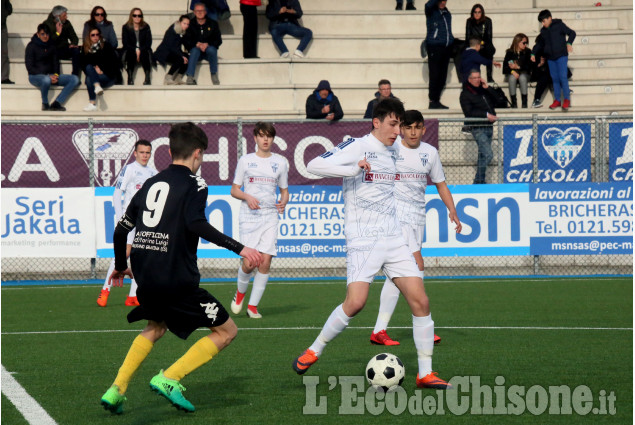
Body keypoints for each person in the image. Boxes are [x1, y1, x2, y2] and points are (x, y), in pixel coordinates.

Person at [100, 122, 262, 414]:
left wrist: (122, 266)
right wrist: (241, 248)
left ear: (171, 150)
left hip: (146, 276)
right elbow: (195, 223)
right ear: (197, 154)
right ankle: (170, 378)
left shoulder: (150, 183)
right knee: (227, 332)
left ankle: (116, 389)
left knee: (155, 326)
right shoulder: (195, 184)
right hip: (176, 279)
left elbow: (120, 230)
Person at [292, 98, 452, 390]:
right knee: (356, 303)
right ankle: (314, 350)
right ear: (376, 122)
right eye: (393, 124)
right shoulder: (357, 145)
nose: (398, 131)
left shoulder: (395, 151)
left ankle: (426, 373)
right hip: (364, 239)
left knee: (421, 300)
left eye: (400, 125)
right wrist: (352, 169)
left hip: (394, 237)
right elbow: (313, 164)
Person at [370, 110, 461, 346]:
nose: (412, 132)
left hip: (417, 218)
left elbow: (441, 184)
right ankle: (423, 326)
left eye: (417, 127)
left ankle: (379, 330)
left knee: (397, 276)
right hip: (394, 216)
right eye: (407, 127)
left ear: (423, 129)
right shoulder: (389, 149)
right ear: (401, 128)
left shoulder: (430, 153)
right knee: (416, 265)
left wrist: (452, 210)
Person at [229, 122, 289, 319]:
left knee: (265, 261)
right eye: (262, 136)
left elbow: (284, 191)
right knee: (249, 263)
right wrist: (247, 197)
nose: (265, 139)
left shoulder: (280, 162)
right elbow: (235, 189)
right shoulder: (246, 161)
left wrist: (284, 202)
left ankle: (253, 306)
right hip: (249, 217)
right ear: (254, 138)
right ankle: (240, 294)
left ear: (273, 139)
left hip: (270, 215)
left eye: (269, 136)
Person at [97, 140, 158, 308]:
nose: (145, 155)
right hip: (130, 219)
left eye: (147, 152)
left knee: (142, 257)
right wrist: (121, 218)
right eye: (142, 152)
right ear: (135, 153)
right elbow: (117, 194)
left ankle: (132, 296)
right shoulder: (130, 169)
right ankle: (105, 290)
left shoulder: (153, 173)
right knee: (123, 255)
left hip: (146, 222)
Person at [25, 24, 80, 111]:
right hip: (35, 76)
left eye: (47, 34)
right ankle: (45, 103)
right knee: (46, 79)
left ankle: (57, 103)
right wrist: (47, 76)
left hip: (50, 75)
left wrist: (56, 74)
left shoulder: (52, 46)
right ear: (38, 34)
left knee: (75, 79)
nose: (45, 36)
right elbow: (29, 67)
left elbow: (55, 63)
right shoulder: (31, 46)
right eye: (42, 34)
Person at [531, 9, 575, 111]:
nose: (542, 23)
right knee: (555, 79)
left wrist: (569, 43)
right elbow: (540, 44)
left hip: (561, 56)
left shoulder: (559, 25)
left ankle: (567, 99)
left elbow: (572, 33)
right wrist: (533, 53)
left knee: (562, 77)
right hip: (550, 58)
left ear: (549, 18)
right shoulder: (543, 31)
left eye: (544, 21)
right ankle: (557, 100)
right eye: (541, 22)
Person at [460, 69, 497, 184]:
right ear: (469, 80)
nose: (477, 80)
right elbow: (469, 112)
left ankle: (480, 181)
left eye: (478, 77)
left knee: (482, 156)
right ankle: (477, 180)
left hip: (489, 127)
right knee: (488, 155)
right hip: (478, 128)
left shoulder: (483, 91)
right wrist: (486, 115)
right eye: (475, 78)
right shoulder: (465, 94)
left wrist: (488, 88)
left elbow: (499, 100)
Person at [80, 27, 122, 112]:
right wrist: (95, 69)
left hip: (108, 75)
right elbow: (84, 65)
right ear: (89, 36)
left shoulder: (106, 46)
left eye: (97, 35)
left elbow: (113, 63)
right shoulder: (85, 48)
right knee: (88, 72)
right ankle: (96, 87)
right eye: (93, 35)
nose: (95, 37)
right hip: (95, 76)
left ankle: (92, 103)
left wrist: (102, 70)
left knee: (89, 78)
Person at [425, 0, 454, 109]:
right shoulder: (431, 11)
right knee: (435, 75)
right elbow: (427, 5)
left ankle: (436, 100)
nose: (442, 2)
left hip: (446, 48)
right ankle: (432, 100)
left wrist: (451, 41)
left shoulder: (447, 13)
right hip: (434, 46)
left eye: (444, 0)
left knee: (443, 76)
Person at [184, 2, 222, 85]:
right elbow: (186, 40)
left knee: (212, 49)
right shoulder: (190, 24)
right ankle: (190, 76)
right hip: (196, 51)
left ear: (205, 12)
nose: (200, 12)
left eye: (202, 10)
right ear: (194, 12)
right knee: (194, 50)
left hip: (208, 51)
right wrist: (196, 44)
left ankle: (213, 74)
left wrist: (207, 44)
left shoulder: (213, 23)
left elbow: (218, 40)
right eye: (197, 11)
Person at [42, 5, 81, 76]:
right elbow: (47, 41)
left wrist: (73, 44)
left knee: (76, 51)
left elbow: (74, 37)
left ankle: (75, 75)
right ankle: (56, 76)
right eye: (64, 15)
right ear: (57, 17)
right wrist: (57, 33)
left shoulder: (67, 23)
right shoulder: (46, 24)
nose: (66, 17)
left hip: (64, 49)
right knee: (53, 53)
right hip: (53, 50)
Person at [154, 15, 190, 85]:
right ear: (180, 22)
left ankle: (178, 78)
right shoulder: (173, 30)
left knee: (188, 58)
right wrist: (181, 55)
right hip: (164, 52)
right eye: (184, 23)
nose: (186, 26)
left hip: (173, 51)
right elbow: (170, 46)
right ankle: (168, 77)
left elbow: (183, 45)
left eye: (188, 24)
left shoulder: (183, 32)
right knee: (181, 58)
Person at [121, 8, 153, 85]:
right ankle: (130, 77)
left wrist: (139, 50)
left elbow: (148, 42)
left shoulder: (146, 26)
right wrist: (135, 49)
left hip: (143, 48)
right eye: (135, 15)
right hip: (130, 49)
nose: (137, 17)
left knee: (144, 54)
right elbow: (125, 43)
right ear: (131, 16)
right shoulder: (126, 27)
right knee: (131, 54)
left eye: (139, 15)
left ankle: (147, 77)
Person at [465, 4, 495, 82]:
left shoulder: (487, 21)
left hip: (484, 45)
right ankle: (476, 76)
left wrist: (481, 44)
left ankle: (489, 76)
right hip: (474, 45)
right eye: (475, 12)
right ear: (472, 13)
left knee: (489, 50)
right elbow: (468, 37)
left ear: (482, 13)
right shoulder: (469, 21)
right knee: (471, 52)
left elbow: (489, 37)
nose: (477, 14)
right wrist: (475, 46)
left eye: (479, 12)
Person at [503, 33, 531, 108]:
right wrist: (512, 71)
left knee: (522, 78)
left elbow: (529, 66)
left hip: (525, 73)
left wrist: (518, 67)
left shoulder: (528, 52)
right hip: (513, 74)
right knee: (512, 78)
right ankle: (514, 103)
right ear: (517, 42)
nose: (525, 45)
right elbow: (505, 68)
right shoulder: (510, 52)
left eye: (526, 43)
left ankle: (524, 103)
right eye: (524, 43)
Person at [1, 0, 13, 84]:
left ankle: (4, 77)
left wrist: (3, 15)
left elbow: (9, 8)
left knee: (3, 53)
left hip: (2, 27)